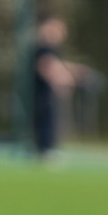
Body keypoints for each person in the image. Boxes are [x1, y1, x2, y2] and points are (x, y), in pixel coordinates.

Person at [32, 16, 76, 159]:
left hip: (48, 93)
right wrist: (61, 80)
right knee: (45, 119)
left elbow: (59, 65)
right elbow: (46, 67)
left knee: (52, 120)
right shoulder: (43, 48)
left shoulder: (53, 49)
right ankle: (44, 150)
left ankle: (49, 147)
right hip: (40, 93)